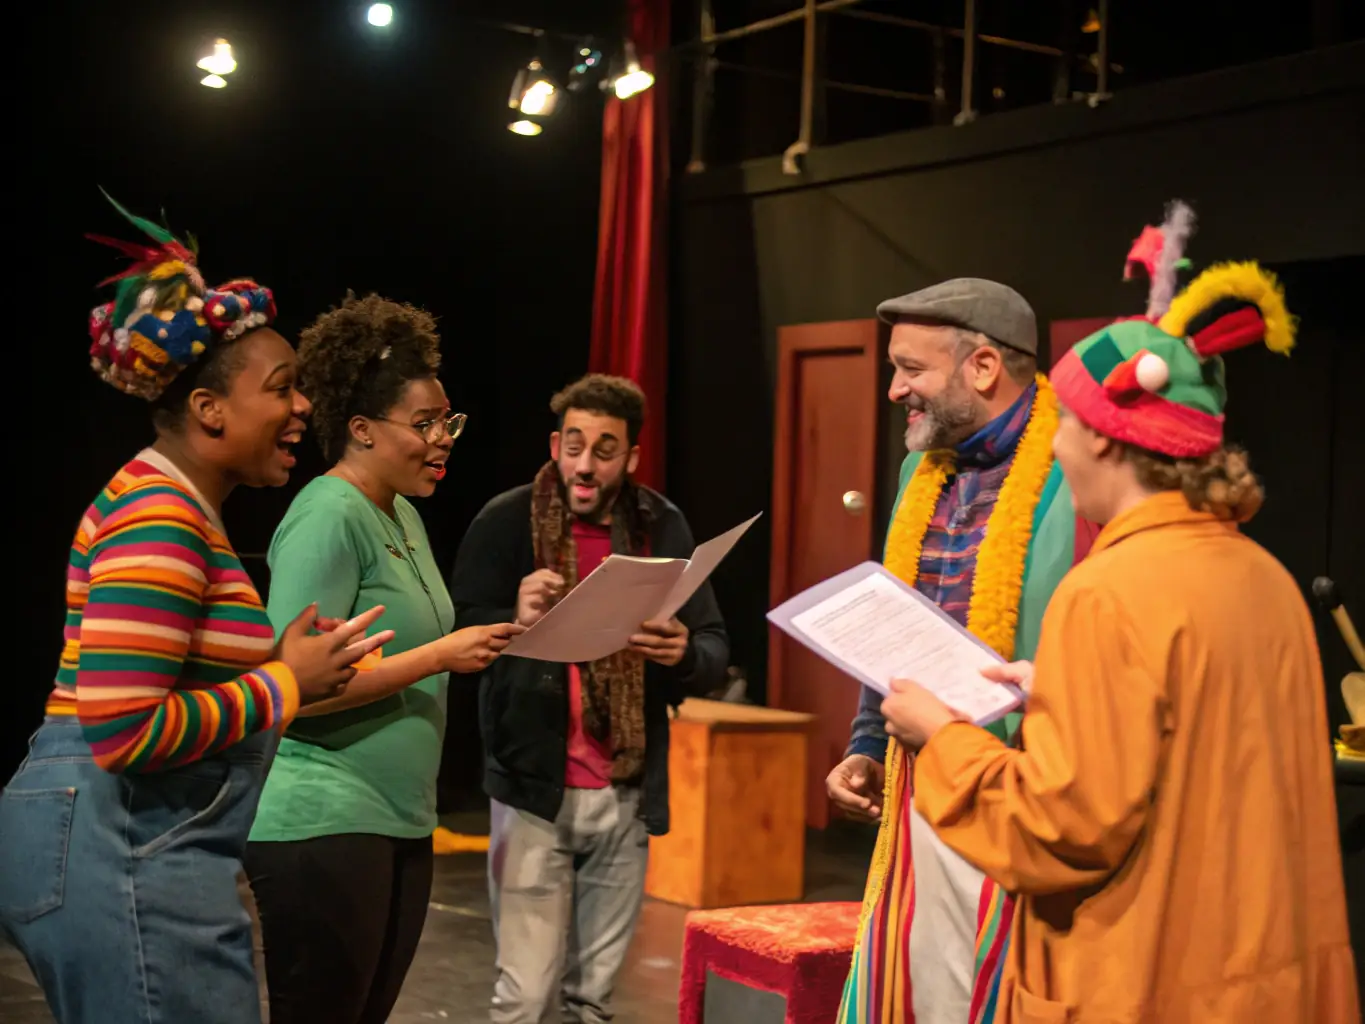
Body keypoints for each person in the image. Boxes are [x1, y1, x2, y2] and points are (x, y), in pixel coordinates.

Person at [880, 218, 1360, 1022]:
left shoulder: (1107, 591)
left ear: (1108, 443)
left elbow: (1060, 829)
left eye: (1065, 425)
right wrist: (1058, 692)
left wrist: (945, 736)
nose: (1056, 447)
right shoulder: (1265, 576)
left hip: (1148, 981)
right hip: (1262, 983)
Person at [0, 197, 389, 1024]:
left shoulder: (176, 507)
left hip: (132, 847)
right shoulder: (160, 516)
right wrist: (284, 681)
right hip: (118, 847)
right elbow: (121, 730)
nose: (302, 409)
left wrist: (270, 661)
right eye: (281, 389)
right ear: (210, 410)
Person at [243, 293, 523, 1024]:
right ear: (361, 430)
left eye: (448, 422)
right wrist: (438, 656)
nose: (442, 440)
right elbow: (288, 689)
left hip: (397, 817)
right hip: (322, 818)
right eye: (424, 424)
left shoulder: (399, 511)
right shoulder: (327, 516)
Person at [830, 279, 1098, 1024]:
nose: (893, 390)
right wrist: (867, 746)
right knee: (921, 991)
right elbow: (897, 624)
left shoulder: (1073, 470)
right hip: (922, 787)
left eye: (910, 369)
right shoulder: (923, 471)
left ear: (982, 367)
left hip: (1027, 795)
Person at [448, 373, 729, 1024]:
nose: (584, 463)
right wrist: (509, 614)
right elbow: (454, 637)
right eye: (573, 444)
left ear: (630, 458)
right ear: (554, 445)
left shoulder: (662, 526)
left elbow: (712, 647)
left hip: (625, 792)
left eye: (604, 450)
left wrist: (682, 652)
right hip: (532, 793)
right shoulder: (506, 521)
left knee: (592, 1006)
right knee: (521, 1001)